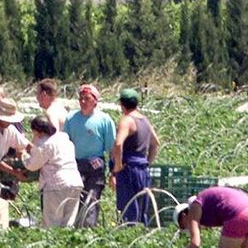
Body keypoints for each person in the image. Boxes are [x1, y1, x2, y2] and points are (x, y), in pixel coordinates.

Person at [62, 84, 116, 228]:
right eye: (81, 99)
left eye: (87, 99)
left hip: (95, 166)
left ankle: (87, 230)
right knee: (74, 200)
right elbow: (65, 142)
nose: (83, 102)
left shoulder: (104, 120)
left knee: (91, 200)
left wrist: (113, 171)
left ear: (95, 101)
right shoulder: (71, 118)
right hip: (74, 165)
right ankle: (73, 229)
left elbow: (112, 149)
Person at [22, 116, 83, 227]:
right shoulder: (64, 139)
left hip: (56, 185)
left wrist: (23, 155)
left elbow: (32, 165)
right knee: (68, 222)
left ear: (39, 132)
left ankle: (54, 243)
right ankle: (65, 243)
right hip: (74, 182)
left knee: (53, 222)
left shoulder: (45, 145)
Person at [112, 88, 160, 225]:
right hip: (142, 168)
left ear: (122, 104)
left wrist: (117, 166)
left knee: (128, 209)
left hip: (129, 169)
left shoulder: (127, 120)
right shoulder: (144, 120)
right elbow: (155, 143)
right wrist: (147, 162)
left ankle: (128, 237)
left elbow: (118, 143)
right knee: (141, 208)